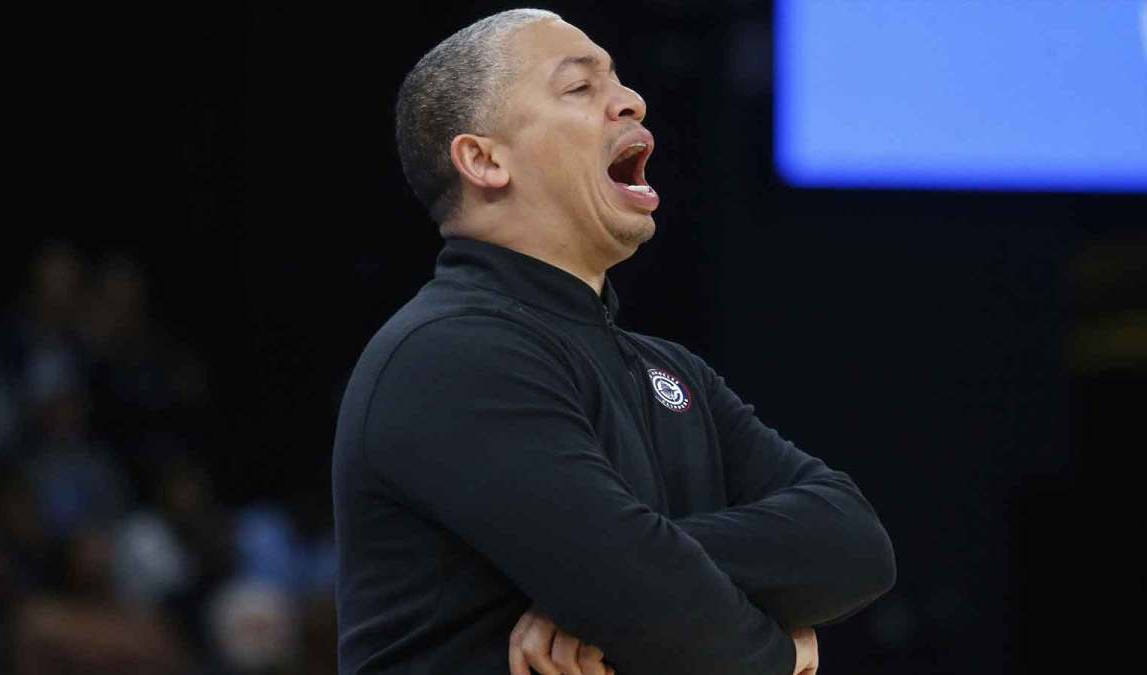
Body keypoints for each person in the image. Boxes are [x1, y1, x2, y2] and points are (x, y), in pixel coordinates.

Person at [332, 9, 896, 675]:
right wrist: (790, 652)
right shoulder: (448, 354)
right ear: (484, 159)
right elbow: (657, 607)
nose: (631, 99)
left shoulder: (671, 371)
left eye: (618, 81)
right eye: (580, 88)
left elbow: (856, 546)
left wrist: (648, 559)